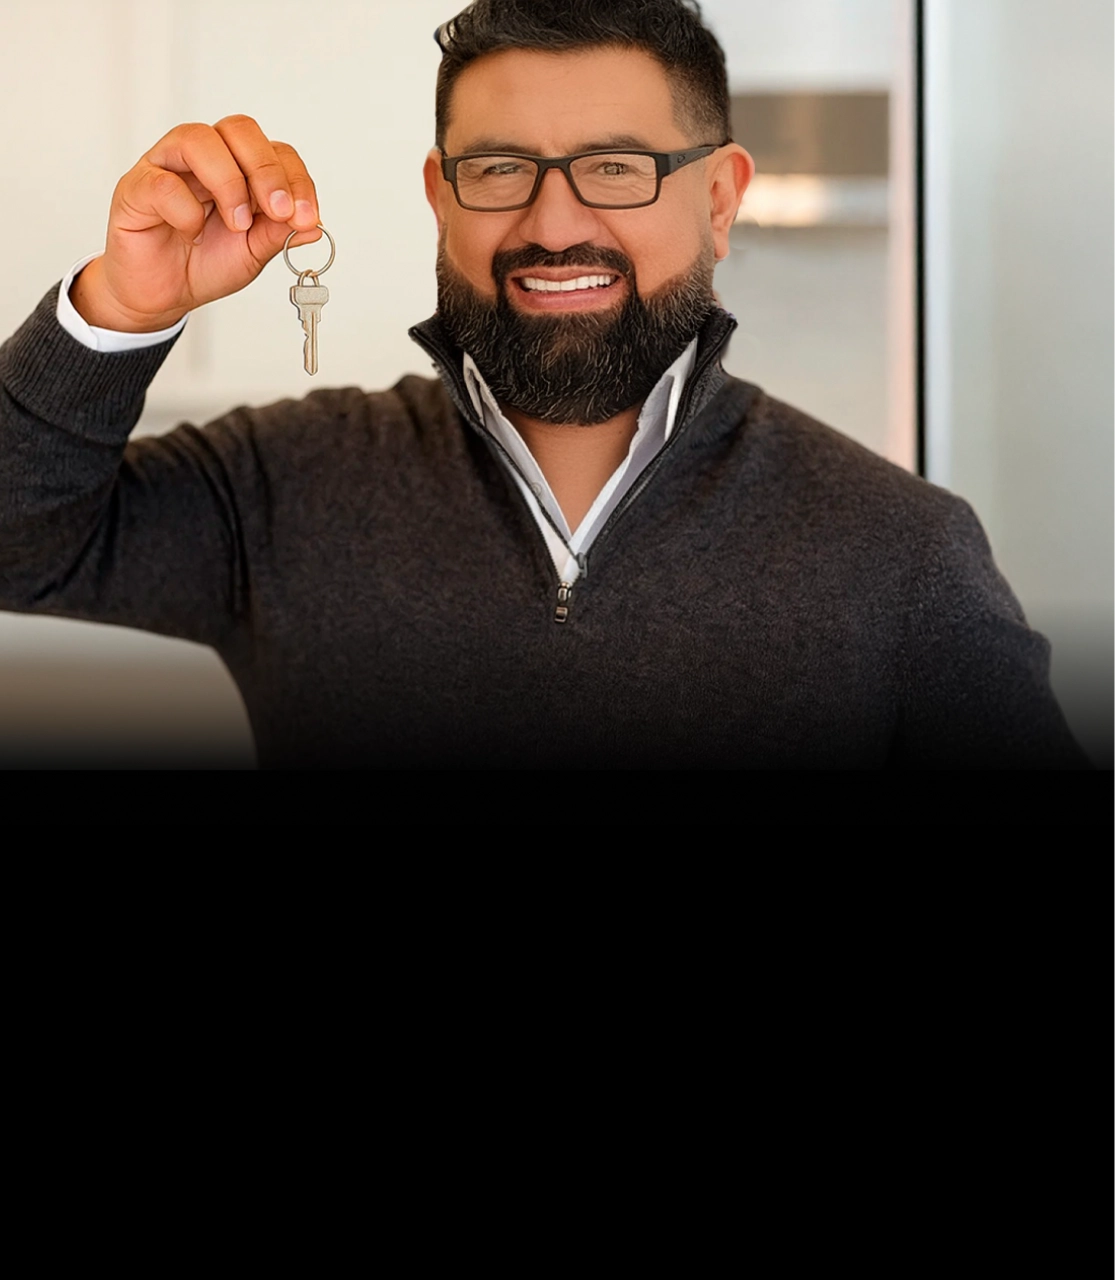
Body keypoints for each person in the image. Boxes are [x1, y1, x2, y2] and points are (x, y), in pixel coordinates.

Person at [0, 0, 1089, 769]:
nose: (553, 222)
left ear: (719, 198)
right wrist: (122, 309)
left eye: (615, 168)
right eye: (499, 168)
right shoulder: (279, 484)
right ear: (440, 195)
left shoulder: (904, 556)